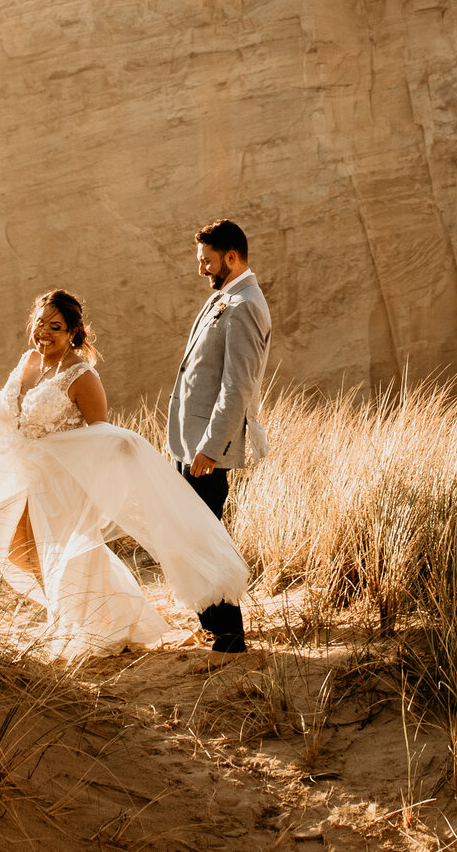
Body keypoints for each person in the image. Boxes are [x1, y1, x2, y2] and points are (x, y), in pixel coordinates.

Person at [0, 290, 249, 661]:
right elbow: (7, 406)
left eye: (55, 327)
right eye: (40, 323)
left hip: (63, 481)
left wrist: (123, 449)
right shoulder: (29, 360)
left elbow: (99, 433)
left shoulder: (82, 375)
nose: (44, 333)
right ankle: (110, 615)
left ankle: (81, 623)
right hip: (25, 475)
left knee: (63, 556)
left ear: (74, 332)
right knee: (20, 553)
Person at [165, 219, 270, 653]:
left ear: (230, 256)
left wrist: (211, 448)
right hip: (188, 441)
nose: (201, 269)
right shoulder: (223, 298)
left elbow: (237, 387)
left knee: (205, 539)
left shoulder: (244, 305)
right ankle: (211, 625)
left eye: (206, 261)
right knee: (190, 535)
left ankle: (229, 637)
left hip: (206, 448)